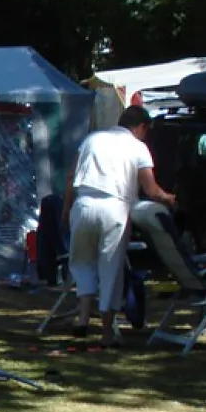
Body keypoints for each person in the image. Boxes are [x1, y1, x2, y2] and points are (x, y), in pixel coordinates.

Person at [65, 105, 178, 346]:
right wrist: (171, 199)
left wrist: (66, 211)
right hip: (114, 208)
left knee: (82, 262)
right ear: (141, 127)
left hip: (83, 204)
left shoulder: (92, 139)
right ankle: (106, 333)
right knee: (110, 268)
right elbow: (151, 190)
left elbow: (70, 175)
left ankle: (83, 318)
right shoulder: (138, 148)